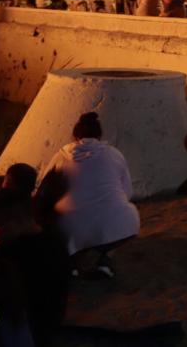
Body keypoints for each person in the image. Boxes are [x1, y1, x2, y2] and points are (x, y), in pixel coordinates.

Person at [36, 112, 140, 277]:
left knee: (59, 222)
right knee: (119, 216)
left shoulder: (61, 157)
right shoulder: (114, 154)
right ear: (99, 135)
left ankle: (72, 262)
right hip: (119, 223)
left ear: (74, 136)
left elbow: (43, 192)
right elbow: (127, 192)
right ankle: (104, 260)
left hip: (71, 225)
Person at [0, 189, 71, 346]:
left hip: (20, 335)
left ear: (17, 221)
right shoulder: (55, 241)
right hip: (47, 329)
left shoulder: (4, 258)